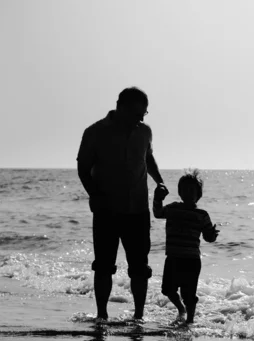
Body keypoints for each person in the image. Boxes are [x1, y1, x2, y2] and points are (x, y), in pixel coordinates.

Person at [76, 86, 168, 322]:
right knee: (104, 266)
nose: (141, 118)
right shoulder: (95, 132)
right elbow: (83, 168)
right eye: (138, 112)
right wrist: (94, 194)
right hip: (106, 210)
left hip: (138, 210)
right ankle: (102, 316)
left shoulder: (145, 132)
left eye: (144, 114)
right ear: (122, 107)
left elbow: (148, 158)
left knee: (140, 267)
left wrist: (160, 181)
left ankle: (138, 317)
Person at [153, 169, 219, 324]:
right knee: (168, 290)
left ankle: (189, 321)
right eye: (185, 190)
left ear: (198, 194)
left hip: (192, 260)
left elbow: (208, 237)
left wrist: (212, 235)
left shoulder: (202, 215)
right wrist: (157, 199)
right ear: (180, 192)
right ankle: (181, 309)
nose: (188, 193)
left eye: (192, 190)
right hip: (173, 258)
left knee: (189, 294)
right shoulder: (173, 208)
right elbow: (157, 213)